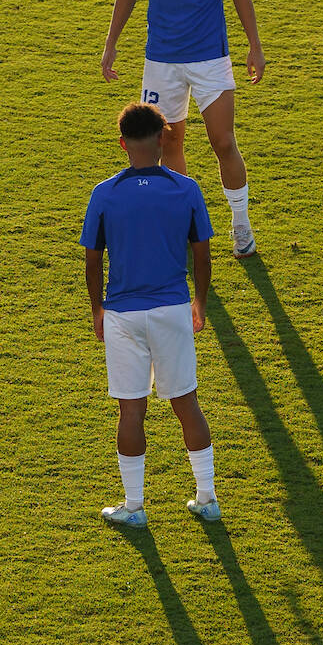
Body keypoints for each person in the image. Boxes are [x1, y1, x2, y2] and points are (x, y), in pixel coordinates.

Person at [100, 0, 267, 258]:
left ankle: (241, 225)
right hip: (162, 60)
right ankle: (183, 224)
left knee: (223, 141)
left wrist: (254, 45)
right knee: (168, 141)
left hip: (211, 57)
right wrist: (111, 44)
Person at [82, 103, 221, 527]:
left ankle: (135, 506)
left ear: (123, 144)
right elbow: (202, 255)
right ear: (163, 139)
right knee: (187, 403)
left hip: (123, 314)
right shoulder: (187, 189)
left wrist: (97, 310)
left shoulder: (105, 193)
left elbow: (92, 258)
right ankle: (207, 497)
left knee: (131, 411)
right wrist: (199, 302)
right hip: (172, 309)